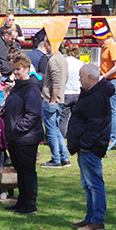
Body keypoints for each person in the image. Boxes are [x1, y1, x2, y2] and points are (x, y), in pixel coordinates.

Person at [66, 63, 113, 230]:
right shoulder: (90, 94)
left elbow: (96, 125)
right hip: (85, 145)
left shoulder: (97, 97)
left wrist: (85, 144)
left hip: (91, 147)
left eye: (81, 77)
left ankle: (97, 219)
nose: (79, 80)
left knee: (94, 183)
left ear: (90, 78)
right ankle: (90, 217)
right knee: (88, 184)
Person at [0, 54, 43, 215]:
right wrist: (4, 114)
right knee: (20, 170)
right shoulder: (18, 88)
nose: (15, 72)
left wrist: (18, 127)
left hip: (26, 137)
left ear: (26, 69)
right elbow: (16, 110)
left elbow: (33, 113)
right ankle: (22, 201)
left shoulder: (31, 89)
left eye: (18, 69)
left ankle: (30, 203)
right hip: (15, 136)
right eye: (14, 69)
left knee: (28, 171)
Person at [40, 39, 70, 168]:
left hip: (50, 100)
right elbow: (65, 77)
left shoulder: (53, 60)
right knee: (56, 129)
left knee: (51, 130)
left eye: (45, 44)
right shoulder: (62, 58)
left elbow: (57, 81)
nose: (44, 46)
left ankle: (55, 159)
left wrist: (52, 98)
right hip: (60, 98)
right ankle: (64, 157)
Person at [94, 21, 116, 145]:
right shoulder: (104, 47)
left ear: (107, 36)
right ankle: (109, 134)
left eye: (100, 39)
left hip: (115, 81)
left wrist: (104, 76)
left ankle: (115, 136)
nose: (99, 42)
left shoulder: (112, 46)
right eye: (98, 39)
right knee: (106, 109)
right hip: (108, 81)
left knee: (110, 109)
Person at [60, 44, 84, 137]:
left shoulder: (64, 62)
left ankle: (61, 138)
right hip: (77, 92)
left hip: (66, 92)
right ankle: (75, 136)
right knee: (77, 118)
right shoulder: (80, 63)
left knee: (63, 118)